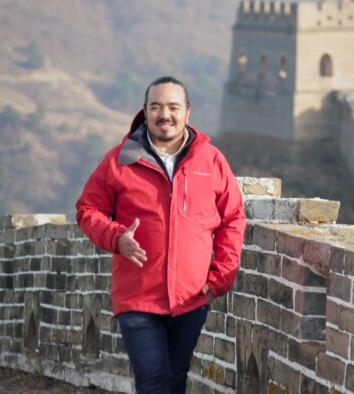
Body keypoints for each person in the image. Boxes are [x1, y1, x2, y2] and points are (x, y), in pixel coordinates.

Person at [75, 76, 246, 393]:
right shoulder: (120, 160)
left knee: (174, 380)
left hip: (191, 298)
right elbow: (88, 210)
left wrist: (221, 275)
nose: (164, 114)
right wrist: (116, 237)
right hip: (138, 297)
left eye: (172, 107)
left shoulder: (210, 160)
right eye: (155, 107)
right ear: (145, 111)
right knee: (153, 382)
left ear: (187, 112)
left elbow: (233, 217)